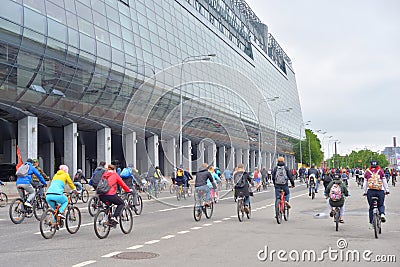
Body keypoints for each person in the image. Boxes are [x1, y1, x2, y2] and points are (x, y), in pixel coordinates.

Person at [363, 160, 389, 228]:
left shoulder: (367, 171)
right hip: (380, 191)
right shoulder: (380, 171)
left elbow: (365, 184)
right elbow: (384, 182)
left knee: (371, 207)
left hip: (370, 191)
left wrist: (365, 192)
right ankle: (382, 214)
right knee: (381, 205)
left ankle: (371, 223)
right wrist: (387, 190)